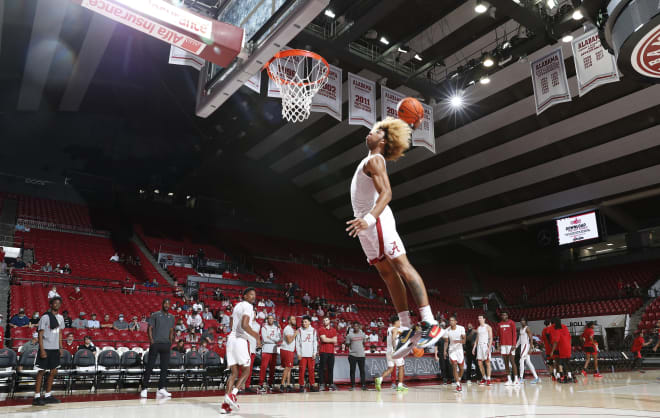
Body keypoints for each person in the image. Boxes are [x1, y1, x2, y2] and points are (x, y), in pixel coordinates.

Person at [345, 117, 442, 357]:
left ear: (383, 140)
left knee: (401, 266)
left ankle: (430, 322)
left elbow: (387, 193)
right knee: (387, 275)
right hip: (365, 226)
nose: (369, 133)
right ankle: (407, 327)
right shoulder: (370, 160)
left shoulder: (375, 159)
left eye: (375, 131)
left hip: (375, 221)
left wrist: (368, 219)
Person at [221, 288, 261, 415]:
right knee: (247, 369)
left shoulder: (237, 306)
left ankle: (224, 405)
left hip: (231, 339)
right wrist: (257, 336)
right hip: (240, 340)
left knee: (234, 373)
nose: (253, 296)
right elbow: (244, 325)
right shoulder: (248, 306)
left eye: (255, 294)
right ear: (245, 296)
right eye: (251, 294)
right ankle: (233, 395)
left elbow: (233, 322)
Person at [141, 299, 175, 398]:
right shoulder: (155, 315)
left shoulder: (172, 317)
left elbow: (171, 330)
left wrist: (170, 341)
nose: (167, 305)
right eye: (165, 303)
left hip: (166, 344)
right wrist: (151, 341)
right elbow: (149, 328)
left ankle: (161, 388)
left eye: (168, 304)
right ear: (162, 304)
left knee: (164, 368)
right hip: (156, 344)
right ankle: (144, 388)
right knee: (150, 366)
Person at [33, 296, 64, 406]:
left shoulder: (61, 318)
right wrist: (42, 350)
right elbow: (40, 335)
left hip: (55, 349)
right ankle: (36, 397)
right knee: (41, 372)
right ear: (51, 305)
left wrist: (60, 347)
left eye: (59, 303)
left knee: (53, 372)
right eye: (55, 303)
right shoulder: (45, 317)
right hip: (45, 348)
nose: (57, 305)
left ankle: (48, 395)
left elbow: (60, 333)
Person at [375, 315, 407, 392]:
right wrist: (395, 349)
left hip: (388, 351)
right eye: (399, 321)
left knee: (390, 369)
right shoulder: (395, 329)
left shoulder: (389, 329)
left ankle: (380, 379)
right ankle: (400, 385)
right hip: (394, 351)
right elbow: (393, 339)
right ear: (396, 322)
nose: (400, 323)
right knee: (401, 367)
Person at [259, 314, 281, 391]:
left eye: (272, 318)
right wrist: (274, 339)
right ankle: (260, 384)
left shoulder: (277, 328)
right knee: (264, 368)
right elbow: (265, 339)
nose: (271, 320)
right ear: (267, 319)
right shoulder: (264, 327)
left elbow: (279, 339)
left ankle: (270, 383)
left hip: (274, 350)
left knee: (272, 368)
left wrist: (271, 338)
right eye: (269, 318)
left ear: (274, 319)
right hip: (266, 349)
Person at [296, 315, 318, 392]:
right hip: (302, 354)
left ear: (309, 322)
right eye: (303, 322)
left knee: (311, 371)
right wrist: (298, 353)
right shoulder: (299, 330)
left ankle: (312, 385)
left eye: (305, 322)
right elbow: (297, 343)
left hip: (311, 354)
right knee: (302, 370)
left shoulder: (313, 330)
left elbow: (315, 342)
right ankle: (301, 386)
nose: (304, 323)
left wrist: (314, 352)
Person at [444, 316, 466, 392]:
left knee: (461, 368)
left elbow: (464, 341)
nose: (451, 322)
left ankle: (458, 379)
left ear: (456, 321)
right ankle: (458, 384)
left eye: (452, 320)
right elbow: (446, 342)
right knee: (454, 365)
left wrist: (458, 341)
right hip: (451, 350)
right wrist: (444, 351)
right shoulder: (447, 330)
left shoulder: (461, 328)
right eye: (450, 320)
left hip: (459, 350)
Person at [498, 311, 518, 386]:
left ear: (507, 316)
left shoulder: (511, 323)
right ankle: (509, 379)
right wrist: (499, 345)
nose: (504, 316)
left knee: (512, 362)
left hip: (511, 345)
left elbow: (514, 334)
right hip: (503, 345)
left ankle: (516, 379)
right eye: (502, 315)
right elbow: (499, 336)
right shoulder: (499, 324)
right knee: (506, 363)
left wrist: (514, 344)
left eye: (505, 315)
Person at [318, 316, 338, 391]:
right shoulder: (321, 329)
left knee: (331, 368)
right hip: (323, 351)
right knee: (322, 368)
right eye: (324, 321)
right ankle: (322, 384)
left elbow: (335, 341)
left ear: (329, 321)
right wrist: (331, 339)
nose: (325, 321)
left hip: (331, 352)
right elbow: (323, 339)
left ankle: (331, 383)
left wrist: (328, 339)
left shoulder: (334, 330)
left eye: (326, 320)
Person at [517, 318, 539, 383]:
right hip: (522, 346)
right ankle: (536, 377)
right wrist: (515, 346)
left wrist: (530, 348)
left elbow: (531, 339)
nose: (522, 321)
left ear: (526, 321)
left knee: (521, 361)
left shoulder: (527, 328)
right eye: (521, 320)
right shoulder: (521, 329)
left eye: (523, 320)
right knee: (528, 362)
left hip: (526, 346)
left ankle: (521, 378)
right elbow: (519, 340)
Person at [551, 318, 573, 383]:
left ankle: (562, 376)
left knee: (560, 363)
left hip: (562, 348)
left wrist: (552, 351)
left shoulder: (557, 330)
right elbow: (570, 338)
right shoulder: (565, 328)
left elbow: (556, 342)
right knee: (567, 362)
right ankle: (570, 376)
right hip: (568, 347)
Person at [346, 321, 367, 390]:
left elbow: (364, 343)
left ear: (359, 327)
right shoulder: (349, 335)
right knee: (352, 371)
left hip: (361, 355)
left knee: (362, 371)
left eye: (357, 326)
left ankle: (363, 385)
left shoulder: (363, 334)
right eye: (354, 326)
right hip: (352, 355)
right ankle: (352, 385)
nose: (356, 328)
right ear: (353, 327)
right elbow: (347, 344)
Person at [473, 314, 493, 386]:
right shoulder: (478, 328)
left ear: (484, 319)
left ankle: (488, 379)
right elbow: (477, 338)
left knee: (487, 363)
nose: (479, 319)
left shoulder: (488, 327)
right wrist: (474, 347)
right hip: (479, 346)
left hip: (485, 346)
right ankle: (484, 378)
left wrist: (489, 348)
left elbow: (491, 338)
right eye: (478, 318)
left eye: (481, 318)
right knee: (479, 363)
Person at [280, 315, 297, 392]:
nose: (295, 320)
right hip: (287, 349)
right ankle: (282, 385)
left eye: (295, 319)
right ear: (289, 321)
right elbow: (289, 341)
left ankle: (288, 384)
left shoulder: (291, 329)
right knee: (287, 368)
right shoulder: (287, 329)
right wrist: (295, 334)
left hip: (289, 350)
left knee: (289, 368)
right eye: (293, 319)